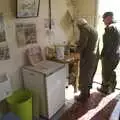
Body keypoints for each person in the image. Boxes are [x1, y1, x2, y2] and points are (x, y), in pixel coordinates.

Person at [75, 18, 99, 101]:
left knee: (84, 75)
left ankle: (83, 96)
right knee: (89, 75)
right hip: (94, 56)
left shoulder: (84, 29)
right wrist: (79, 42)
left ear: (79, 25)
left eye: (77, 26)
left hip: (87, 56)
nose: (78, 28)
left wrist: (76, 51)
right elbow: (89, 41)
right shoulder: (92, 28)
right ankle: (87, 92)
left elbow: (83, 43)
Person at [97, 12, 120, 94]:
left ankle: (105, 89)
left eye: (104, 18)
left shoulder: (111, 27)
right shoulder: (117, 27)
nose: (103, 21)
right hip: (116, 55)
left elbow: (108, 45)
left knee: (106, 73)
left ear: (109, 18)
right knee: (111, 72)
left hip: (109, 56)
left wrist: (103, 55)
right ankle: (111, 88)